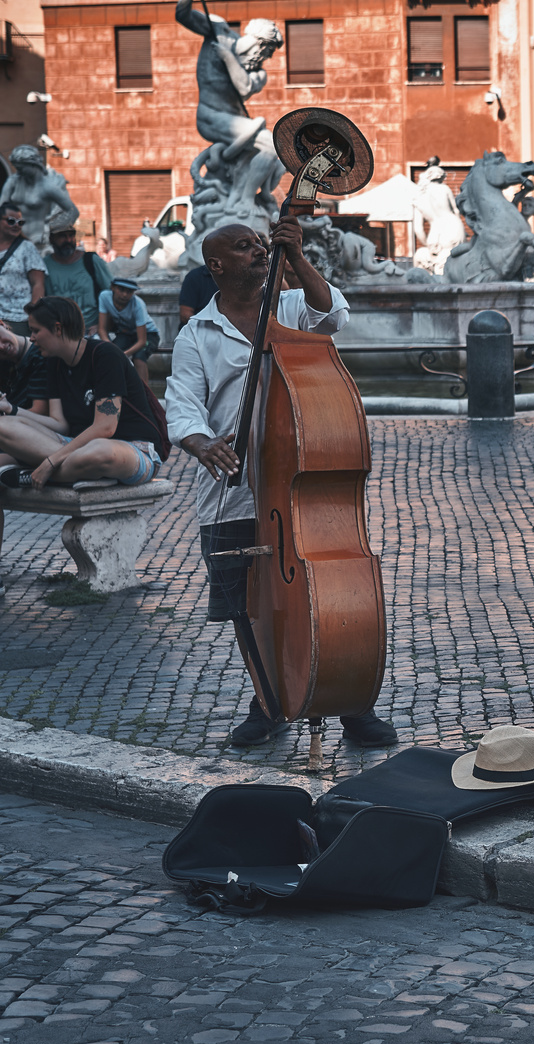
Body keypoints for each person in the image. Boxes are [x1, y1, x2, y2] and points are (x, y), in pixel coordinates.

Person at [164, 221, 398, 750]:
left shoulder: (289, 308)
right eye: (244, 246)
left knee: (331, 599)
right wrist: (201, 444)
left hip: (303, 484)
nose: (258, 250)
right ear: (216, 265)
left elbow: (333, 314)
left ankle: (351, 703)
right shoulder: (196, 334)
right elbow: (181, 404)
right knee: (249, 610)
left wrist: (296, 257)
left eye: (260, 243)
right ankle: (268, 700)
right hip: (236, 491)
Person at [0, 295, 162, 493]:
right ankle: (79, 473)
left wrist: (50, 463)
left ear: (58, 329)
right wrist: (11, 409)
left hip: (132, 450)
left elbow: (105, 427)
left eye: (35, 331)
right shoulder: (53, 360)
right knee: (3, 426)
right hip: (77, 448)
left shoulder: (105, 355)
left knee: (100, 452)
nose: (31, 337)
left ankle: (41, 475)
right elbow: (59, 424)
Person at [44, 225, 111, 334]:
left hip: (91, 331)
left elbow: (111, 295)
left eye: (71, 236)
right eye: (63, 236)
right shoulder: (44, 265)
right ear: (52, 239)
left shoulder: (91, 261)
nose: (69, 240)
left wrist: (102, 325)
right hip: (59, 333)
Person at [97, 277, 161, 385]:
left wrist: (124, 354)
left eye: (129, 291)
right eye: (121, 290)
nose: (125, 295)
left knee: (139, 357)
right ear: (113, 288)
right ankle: (112, 388)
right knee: (110, 355)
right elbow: (102, 329)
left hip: (149, 334)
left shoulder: (138, 304)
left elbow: (141, 341)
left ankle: (144, 394)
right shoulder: (104, 297)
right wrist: (109, 346)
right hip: (126, 333)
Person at [0, 202, 46, 337]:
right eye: (11, 221)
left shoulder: (27, 248)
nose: (16, 225)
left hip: (19, 317)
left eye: (20, 222)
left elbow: (38, 284)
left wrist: (33, 314)